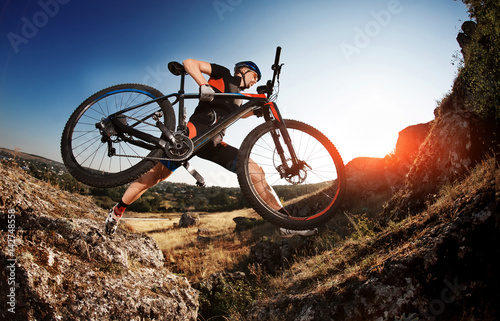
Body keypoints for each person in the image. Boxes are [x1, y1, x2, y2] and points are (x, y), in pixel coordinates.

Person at [105, 58, 287, 235]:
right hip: (193, 135)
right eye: (255, 75)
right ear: (244, 70)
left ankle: (285, 221)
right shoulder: (222, 74)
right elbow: (189, 63)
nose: (255, 81)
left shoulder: (238, 98)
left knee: (255, 172)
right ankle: (116, 212)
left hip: (213, 144)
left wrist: (259, 109)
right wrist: (203, 84)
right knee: (154, 177)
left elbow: (242, 113)